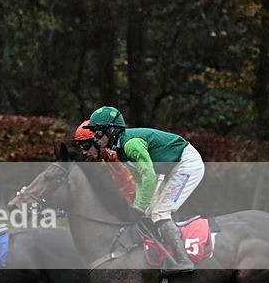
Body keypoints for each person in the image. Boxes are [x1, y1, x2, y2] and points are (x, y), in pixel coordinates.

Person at [86, 106, 204, 274]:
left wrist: (138, 207)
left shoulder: (131, 144)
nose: (95, 139)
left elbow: (149, 176)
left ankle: (184, 260)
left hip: (187, 164)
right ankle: (158, 254)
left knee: (160, 213)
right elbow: (141, 181)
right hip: (172, 168)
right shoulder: (120, 150)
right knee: (148, 213)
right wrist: (138, 207)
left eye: (98, 133)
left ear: (111, 130)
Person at [71, 120, 136, 207]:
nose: (84, 152)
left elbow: (132, 183)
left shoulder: (115, 154)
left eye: (86, 146)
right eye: (81, 147)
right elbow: (122, 186)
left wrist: (127, 207)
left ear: (98, 142)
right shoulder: (107, 159)